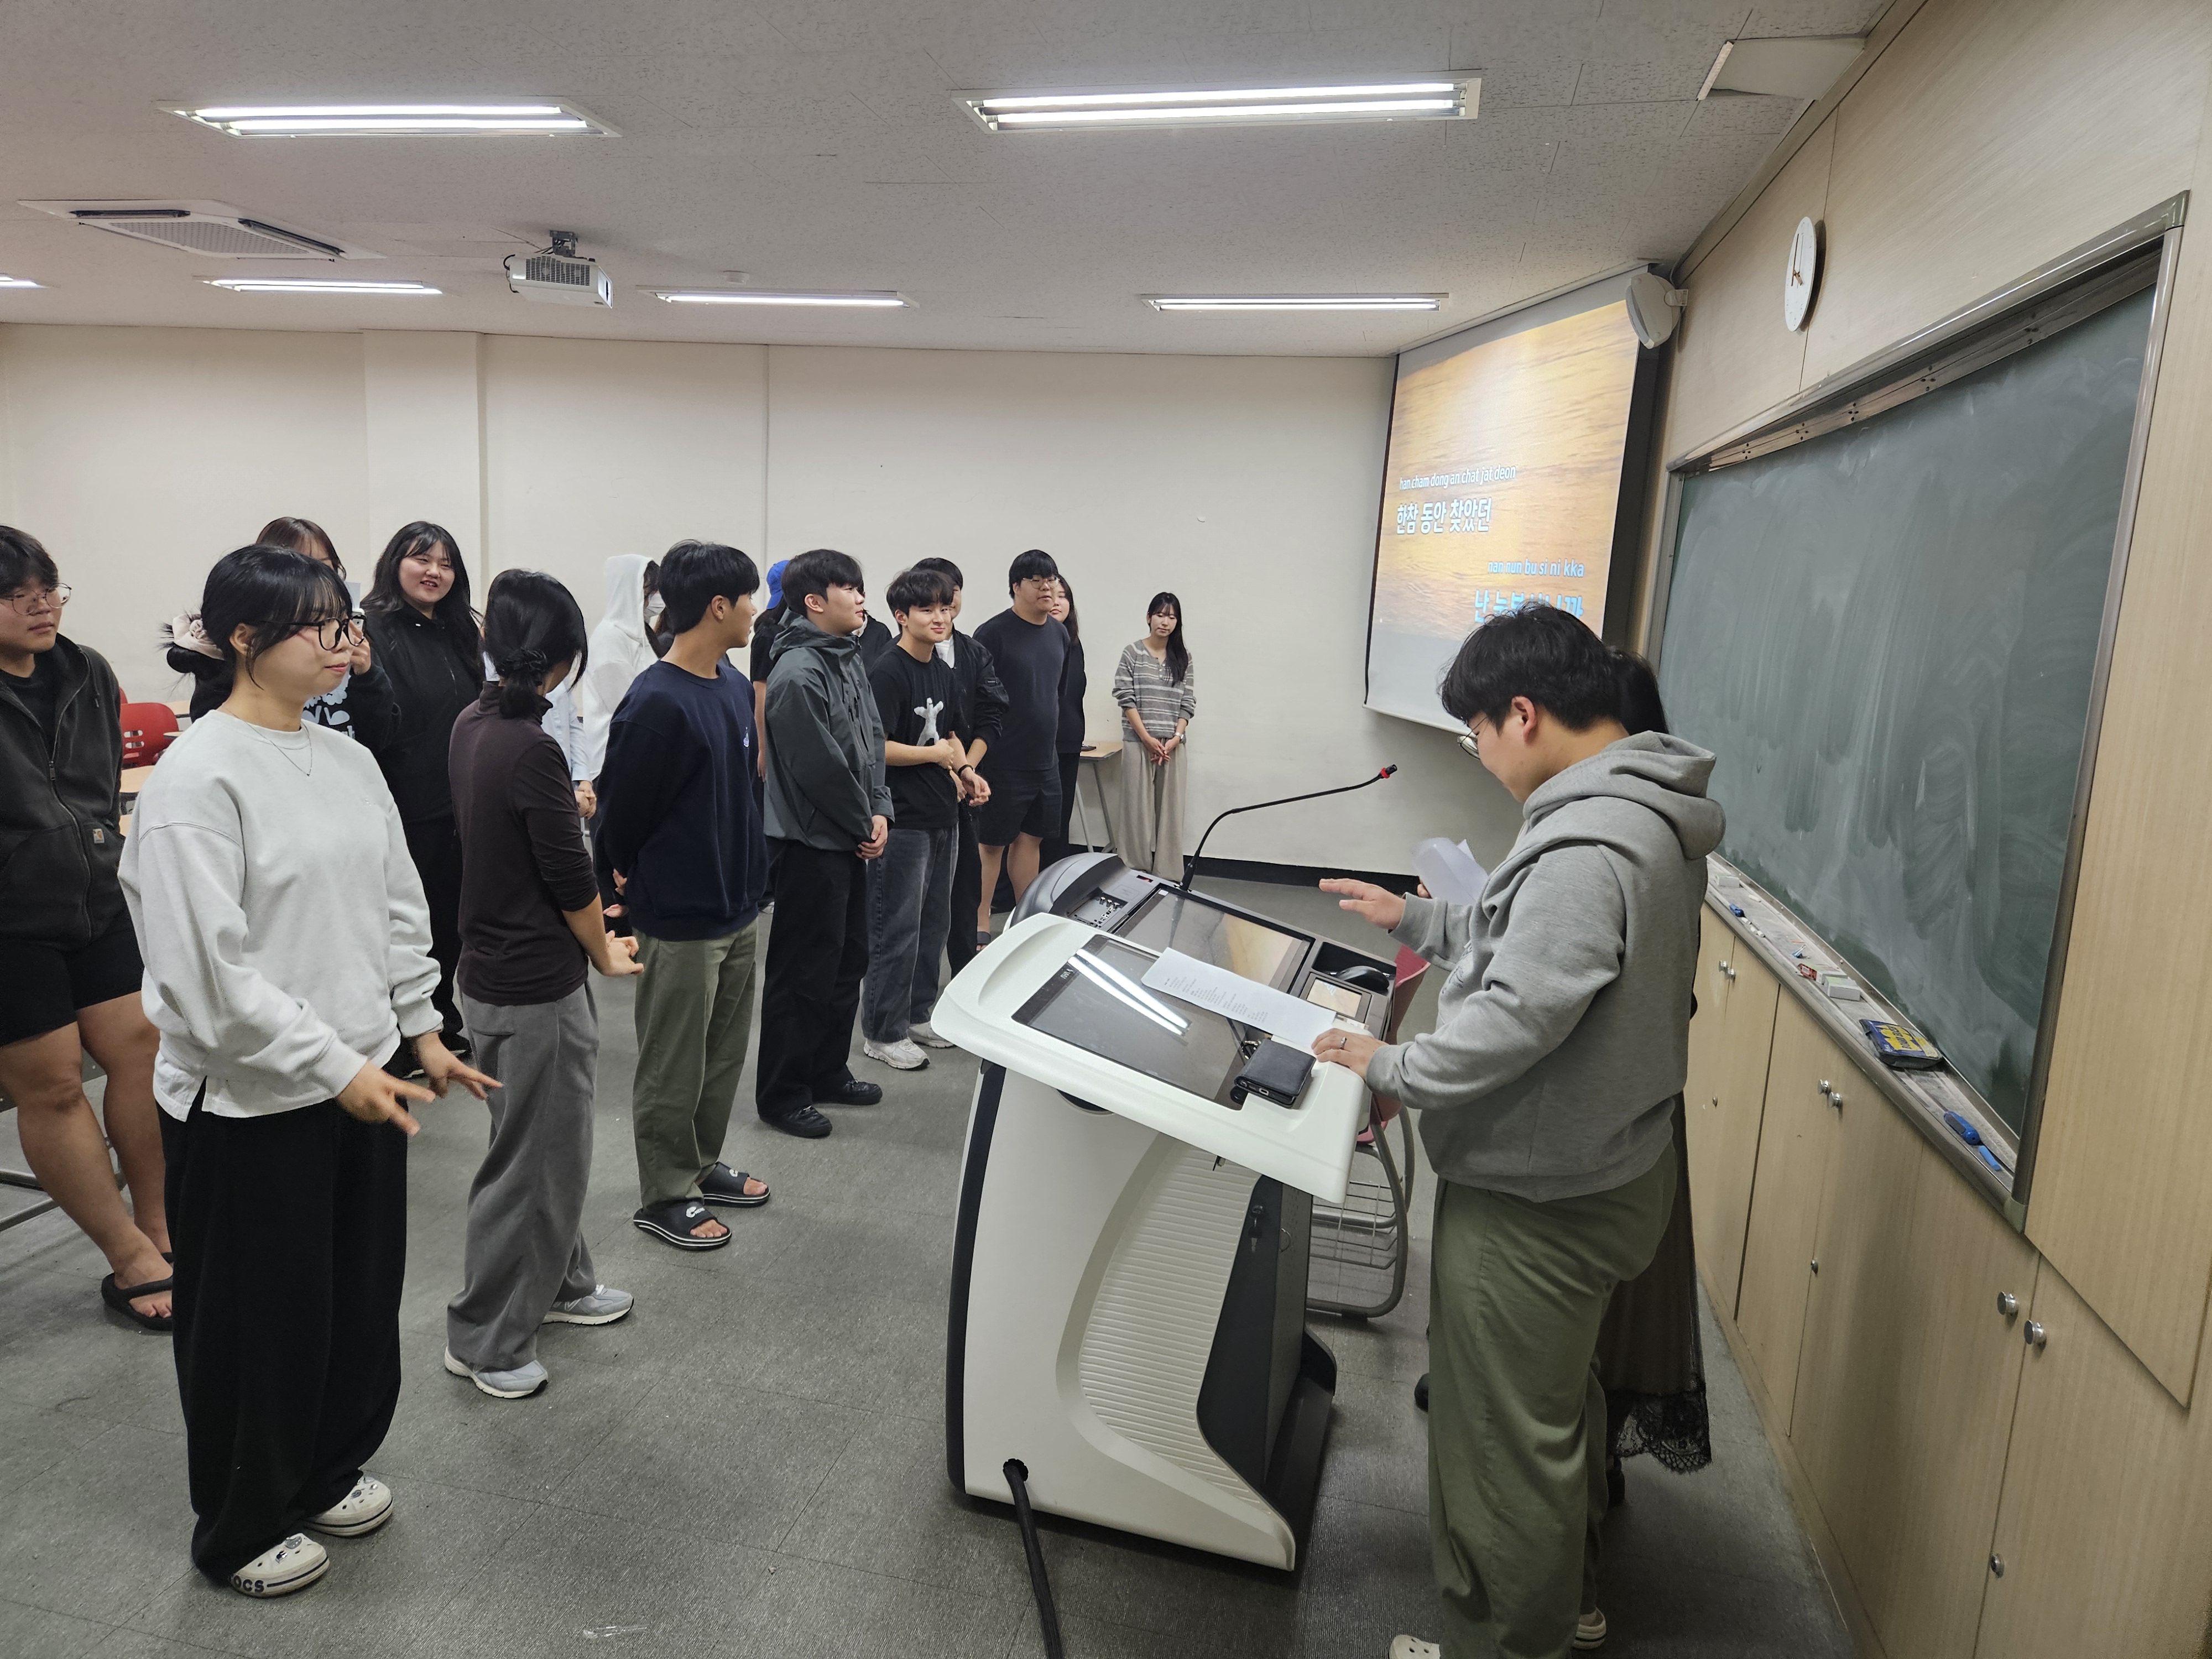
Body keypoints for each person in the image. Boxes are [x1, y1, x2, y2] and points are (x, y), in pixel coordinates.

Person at [1313, 604, 1722, 1659]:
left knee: (1499, 1452)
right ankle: (1567, 1606)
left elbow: (1518, 1016)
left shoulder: (1590, 844)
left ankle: (1505, 1640)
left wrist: (1389, 1065)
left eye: (1477, 734)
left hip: (1539, 1206)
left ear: (1524, 714)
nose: (1483, 756)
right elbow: (1525, 939)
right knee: (1550, 1414)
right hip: (1606, 1174)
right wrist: (1416, 919)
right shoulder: (1642, 807)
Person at [120, 544, 493, 1599]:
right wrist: (333, 1064)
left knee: (352, 1299)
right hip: (251, 1097)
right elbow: (207, 978)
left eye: (347, 623)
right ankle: (240, 1524)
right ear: (246, 639)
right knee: (258, 1318)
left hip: (361, 1074)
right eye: (323, 625)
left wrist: (419, 1027)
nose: (347, 642)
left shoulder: (347, 760)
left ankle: (325, 1469)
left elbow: (397, 905)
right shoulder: (198, 778)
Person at [442, 571, 643, 1399]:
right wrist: (606, 954)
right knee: (531, 1161)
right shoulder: (532, 747)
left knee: (541, 1147)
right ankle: (486, 1340)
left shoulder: (475, 722)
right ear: (565, 658)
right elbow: (570, 879)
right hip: (531, 984)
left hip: (494, 968)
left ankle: (561, 1281)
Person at [0, 526, 172, 1331]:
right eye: (16, 595)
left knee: (142, 1050)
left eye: (49, 590)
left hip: (95, 896)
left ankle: (160, 1229)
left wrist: (101, 850)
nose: (41, 607)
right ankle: (128, 1254)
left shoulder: (86, 670)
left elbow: (100, 787)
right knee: (56, 1084)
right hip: (10, 922)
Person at [594, 541, 774, 1247]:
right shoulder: (655, 701)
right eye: (749, 598)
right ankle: (666, 1193)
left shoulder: (728, 683)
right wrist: (622, 890)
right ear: (719, 607)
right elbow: (619, 817)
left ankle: (700, 1162)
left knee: (722, 1055)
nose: (757, 610)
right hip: (679, 913)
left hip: (737, 903)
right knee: (674, 1061)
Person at [755, 548, 891, 1138]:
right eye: (849, 589)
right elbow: (820, 768)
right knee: (803, 974)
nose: (861, 598)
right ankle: (783, 1094)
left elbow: (872, 739)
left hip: (850, 835)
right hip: (810, 843)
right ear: (814, 601)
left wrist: (880, 809)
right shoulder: (797, 673)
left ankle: (827, 1071)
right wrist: (865, 821)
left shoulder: (847, 656)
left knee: (846, 961)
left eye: (860, 588)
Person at [363, 522, 484, 1058]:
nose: (434, 572)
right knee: (411, 926)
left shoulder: (459, 631)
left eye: (446, 564)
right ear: (396, 563)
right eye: (422, 559)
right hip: (404, 803)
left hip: (458, 802)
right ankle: (405, 1033)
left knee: (451, 922)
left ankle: (438, 1018)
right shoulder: (373, 628)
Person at [860, 566, 988, 1070]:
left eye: (945, 608)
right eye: (927, 609)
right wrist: (935, 757)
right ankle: (882, 1031)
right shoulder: (887, 671)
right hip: (903, 818)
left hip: (943, 814)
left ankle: (917, 1014)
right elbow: (876, 748)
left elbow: (951, 735)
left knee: (934, 924)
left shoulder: (943, 669)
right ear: (901, 616)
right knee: (896, 927)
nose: (940, 618)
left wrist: (966, 772)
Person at [169, 518, 399, 750]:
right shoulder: (237, 664)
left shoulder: (351, 635)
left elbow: (381, 735)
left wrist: (368, 675)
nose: (341, 642)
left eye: (323, 567)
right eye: (316, 622)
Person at [911, 557, 1006, 975]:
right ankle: (912, 988)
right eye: (930, 601)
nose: (943, 606)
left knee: (966, 886)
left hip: (964, 784)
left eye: (950, 595)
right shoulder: (896, 658)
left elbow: (992, 715)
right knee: (915, 901)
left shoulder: (974, 652)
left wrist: (967, 771)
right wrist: (951, 769)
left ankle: (966, 974)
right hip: (915, 791)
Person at [972, 550, 1070, 937]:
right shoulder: (992, 634)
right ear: (1016, 586)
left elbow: (1056, 694)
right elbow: (976, 698)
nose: (1047, 587)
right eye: (1036, 580)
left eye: (1052, 579)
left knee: (1031, 841)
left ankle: (1024, 923)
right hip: (1002, 760)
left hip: (1044, 761)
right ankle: (979, 923)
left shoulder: (1059, 633)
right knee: (991, 845)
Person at [1113, 591, 1197, 880]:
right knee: (1135, 811)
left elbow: (1188, 703)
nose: (1165, 622)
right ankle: (1132, 870)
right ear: (1149, 617)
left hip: (1172, 746)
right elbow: (1125, 698)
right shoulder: (1133, 653)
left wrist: (1176, 738)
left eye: (1172, 617)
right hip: (1139, 743)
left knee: (1171, 813)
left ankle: (1168, 873)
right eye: (1160, 615)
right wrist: (1147, 738)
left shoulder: (1183, 658)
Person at [575, 554, 660, 818]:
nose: (653, 601)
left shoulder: (641, 635)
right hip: (613, 762)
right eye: (648, 592)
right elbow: (629, 705)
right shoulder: (610, 638)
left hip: (638, 758)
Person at [1040, 575, 1088, 868]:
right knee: (1036, 823)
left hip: (1069, 742)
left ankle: (1056, 878)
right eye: (1052, 595)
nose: (1057, 602)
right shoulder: (1037, 641)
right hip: (1040, 744)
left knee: (1060, 819)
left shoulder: (1074, 643)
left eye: (1063, 596)